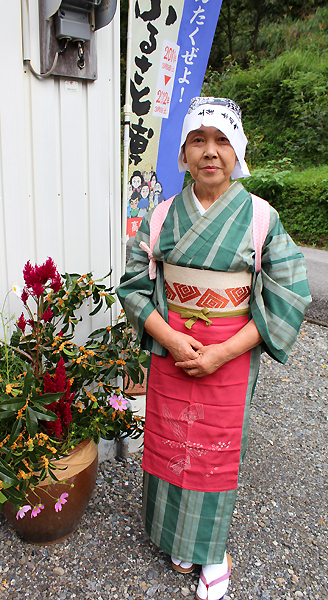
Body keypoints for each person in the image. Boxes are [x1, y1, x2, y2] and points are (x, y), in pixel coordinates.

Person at [117, 97, 311, 600]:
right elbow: (134, 286)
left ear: (237, 150)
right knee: (168, 442)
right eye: (198, 140)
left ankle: (212, 551)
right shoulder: (161, 216)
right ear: (183, 153)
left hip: (230, 356)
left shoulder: (261, 218)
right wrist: (170, 337)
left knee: (213, 453)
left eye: (222, 140)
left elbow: (290, 295)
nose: (210, 151)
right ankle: (175, 537)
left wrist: (223, 352)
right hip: (172, 350)